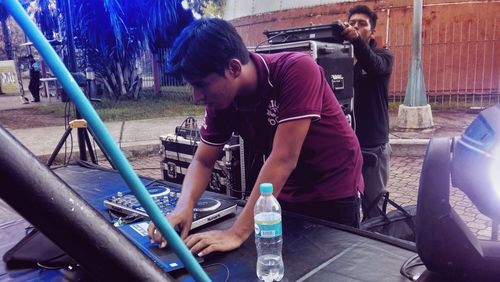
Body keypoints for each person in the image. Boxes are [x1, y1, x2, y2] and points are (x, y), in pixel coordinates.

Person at [148, 18, 364, 256]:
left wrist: (237, 232)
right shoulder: (222, 100)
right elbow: (203, 160)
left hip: (333, 186)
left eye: (201, 85)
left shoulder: (297, 69)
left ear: (234, 68)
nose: (196, 96)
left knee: (333, 268)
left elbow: (283, 158)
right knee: (286, 261)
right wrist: (183, 207)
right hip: (285, 187)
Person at [339, 5, 394, 219]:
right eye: (352, 23)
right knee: (347, 203)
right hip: (346, 145)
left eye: (362, 24)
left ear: (372, 33)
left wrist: (356, 41)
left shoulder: (384, 56)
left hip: (373, 145)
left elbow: (374, 66)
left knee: (374, 207)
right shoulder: (339, 62)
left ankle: (378, 244)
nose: (355, 27)